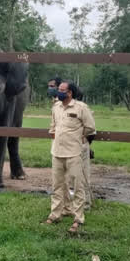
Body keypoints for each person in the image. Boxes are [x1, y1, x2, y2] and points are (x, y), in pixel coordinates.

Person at [44, 80, 96, 233]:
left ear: (69, 93)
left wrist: (80, 139)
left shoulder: (81, 108)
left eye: (61, 90)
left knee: (78, 186)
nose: (58, 92)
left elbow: (90, 128)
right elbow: (52, 127)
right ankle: (55, 214)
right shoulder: (56, 108)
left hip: (74, 153)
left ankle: (78, 218)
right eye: (58, 89)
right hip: (57, 152)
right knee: (57, 185)